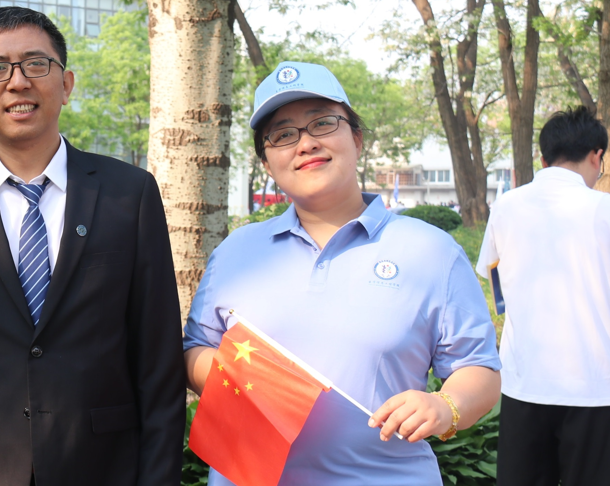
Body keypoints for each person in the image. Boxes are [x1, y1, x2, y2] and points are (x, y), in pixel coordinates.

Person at [0, 7, 185, 486]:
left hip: (102, 465)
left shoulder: (129, 194)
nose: (17, 82)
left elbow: (158, 358)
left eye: (35, 64)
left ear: (66, 84)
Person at [182, 61, 502, 485]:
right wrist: (251, 379)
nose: (305, 144)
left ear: (357, 138)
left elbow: (479, 369)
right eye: (283, 135)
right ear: (267, 163)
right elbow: (195, 350)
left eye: (322, 123)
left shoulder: (432, 251)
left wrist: (446, 405)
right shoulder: (235, 253)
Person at [478, 107, 610, 486]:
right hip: (596, 388)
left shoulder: (506, 206)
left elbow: (495, 282)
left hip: (524, 383)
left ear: (543, 159)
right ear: (596, 156)